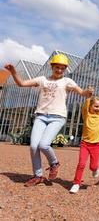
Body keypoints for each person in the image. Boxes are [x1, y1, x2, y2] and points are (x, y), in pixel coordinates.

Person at [4, 54, 93, 187]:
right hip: (41, 116)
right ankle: (38, 176)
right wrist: (13, 72)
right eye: (57, 67)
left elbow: (82, 93)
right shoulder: (42, 79)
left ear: (65, 69)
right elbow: (22, 83)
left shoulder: (67, 81)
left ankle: (54, 163)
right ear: (52, 66)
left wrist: (88, 92)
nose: (59, 70)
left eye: (62, 68)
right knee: (34, 146)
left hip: (57, 117)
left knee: (44, 144)